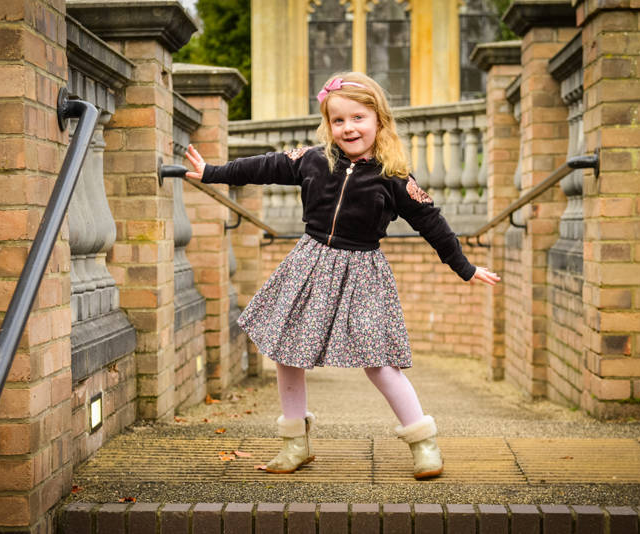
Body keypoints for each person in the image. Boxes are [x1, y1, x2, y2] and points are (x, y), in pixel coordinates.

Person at [184, 72, 500, 480]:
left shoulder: (395, 177)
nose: (348, 128)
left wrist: (465, 267)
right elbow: (265, 165)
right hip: (309, 264)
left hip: (362, 272)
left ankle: (424, 442)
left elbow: (432, 223)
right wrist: (213, 172)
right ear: (328, 124)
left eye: (358, 118)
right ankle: (294, 443)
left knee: (379, 361)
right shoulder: (314, 159)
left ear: (379, 120)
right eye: (338, 120)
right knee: (287, 351)